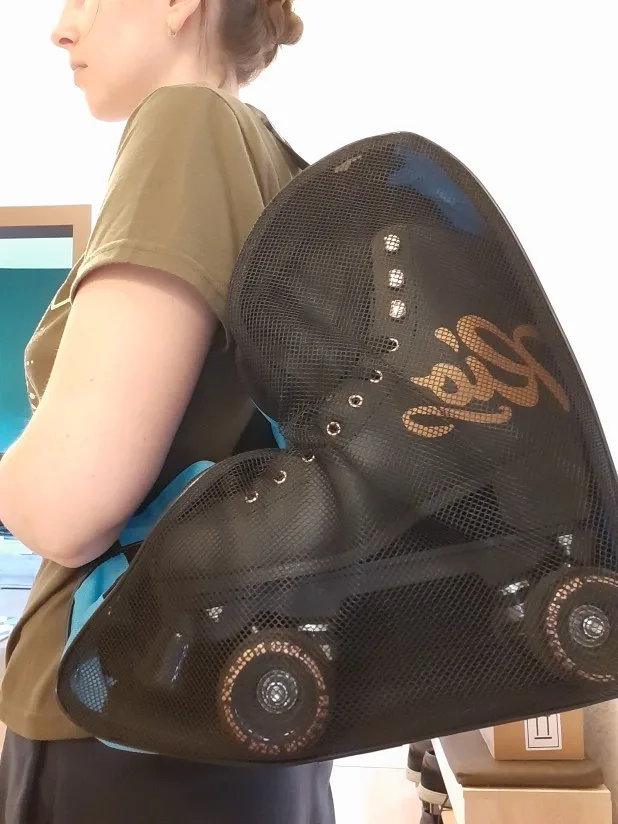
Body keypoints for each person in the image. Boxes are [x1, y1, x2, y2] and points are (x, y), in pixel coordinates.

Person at [0, 1, 336, 822]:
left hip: (130, 729)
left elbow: (67, 502)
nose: (60, 28)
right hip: (233, 712)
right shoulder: (277, 164)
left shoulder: (186, 124)